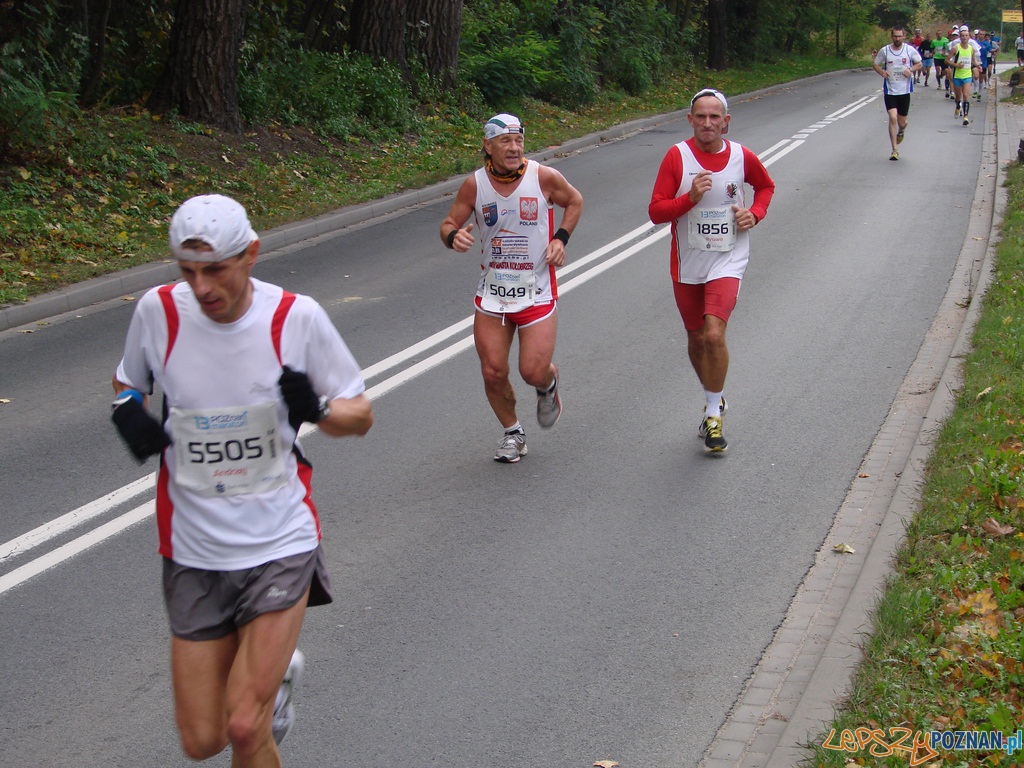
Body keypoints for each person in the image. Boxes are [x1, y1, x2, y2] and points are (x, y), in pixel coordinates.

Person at [110, 194, 374, 766]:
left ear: (250, 254)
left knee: (244, 725)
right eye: (188, 271)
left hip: (279, 541)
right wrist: (128, 411)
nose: (201, 287)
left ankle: (263, 690)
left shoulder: (293, 318)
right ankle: (274, 680)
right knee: (203, 740)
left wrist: (320, 409)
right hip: (193, 551)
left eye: (216, 269)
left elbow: (362, 415)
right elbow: (128, 383)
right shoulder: (157, 312)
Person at [440, 113, 583, 463]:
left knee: (532, 370)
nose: (515, 148)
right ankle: (513, 433)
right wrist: (452, 237)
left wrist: (560, 239)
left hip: (535, 290)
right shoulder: (475, 185)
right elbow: (448, 223)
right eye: (506, 141)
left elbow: (575, 201)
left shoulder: (544, 177)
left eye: (519, 140)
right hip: (493, 293)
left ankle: (548, 384)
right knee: (492, 371)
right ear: (487, 146)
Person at [648, 88, 775, 453]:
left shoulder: (740, 156)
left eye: (714, 117)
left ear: (726, 121)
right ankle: (712, 399)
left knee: (714, 334)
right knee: (696, 338)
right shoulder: (677, 157)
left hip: (728, 257)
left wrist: (756, 213)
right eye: (700, 117)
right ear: (690, 120)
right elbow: (656, 212)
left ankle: (714, 414)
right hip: (688, 261)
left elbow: (765, 186)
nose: (707, 123)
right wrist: (689, 199)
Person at [872, 26, 923, 161]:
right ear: (891, 36)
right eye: (895, 36)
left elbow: (919, 63)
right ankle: (894, 149)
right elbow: (875, 64)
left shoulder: (909, 50)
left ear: (904, 36)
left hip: (904, 91)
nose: (897, 38)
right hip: (890, 90)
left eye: (899, 36)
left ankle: (902, 130)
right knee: (892, 117)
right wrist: (882, 72)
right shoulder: (885, 50)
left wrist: (910, 70)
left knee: (902, 122)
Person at [949, 26, 980, 125]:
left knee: (966, 95)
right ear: (960, 37)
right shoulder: (955, 48)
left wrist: (978, 65)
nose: (964, 37)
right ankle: (958, 106)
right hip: (957, 75)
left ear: (969, 37)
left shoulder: (971, 49)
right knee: (958, 97)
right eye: (962, 36)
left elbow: (973, 59)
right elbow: (947, 60)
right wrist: (956, 65)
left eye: (966, 36)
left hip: (967, 75)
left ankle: (966, 116)